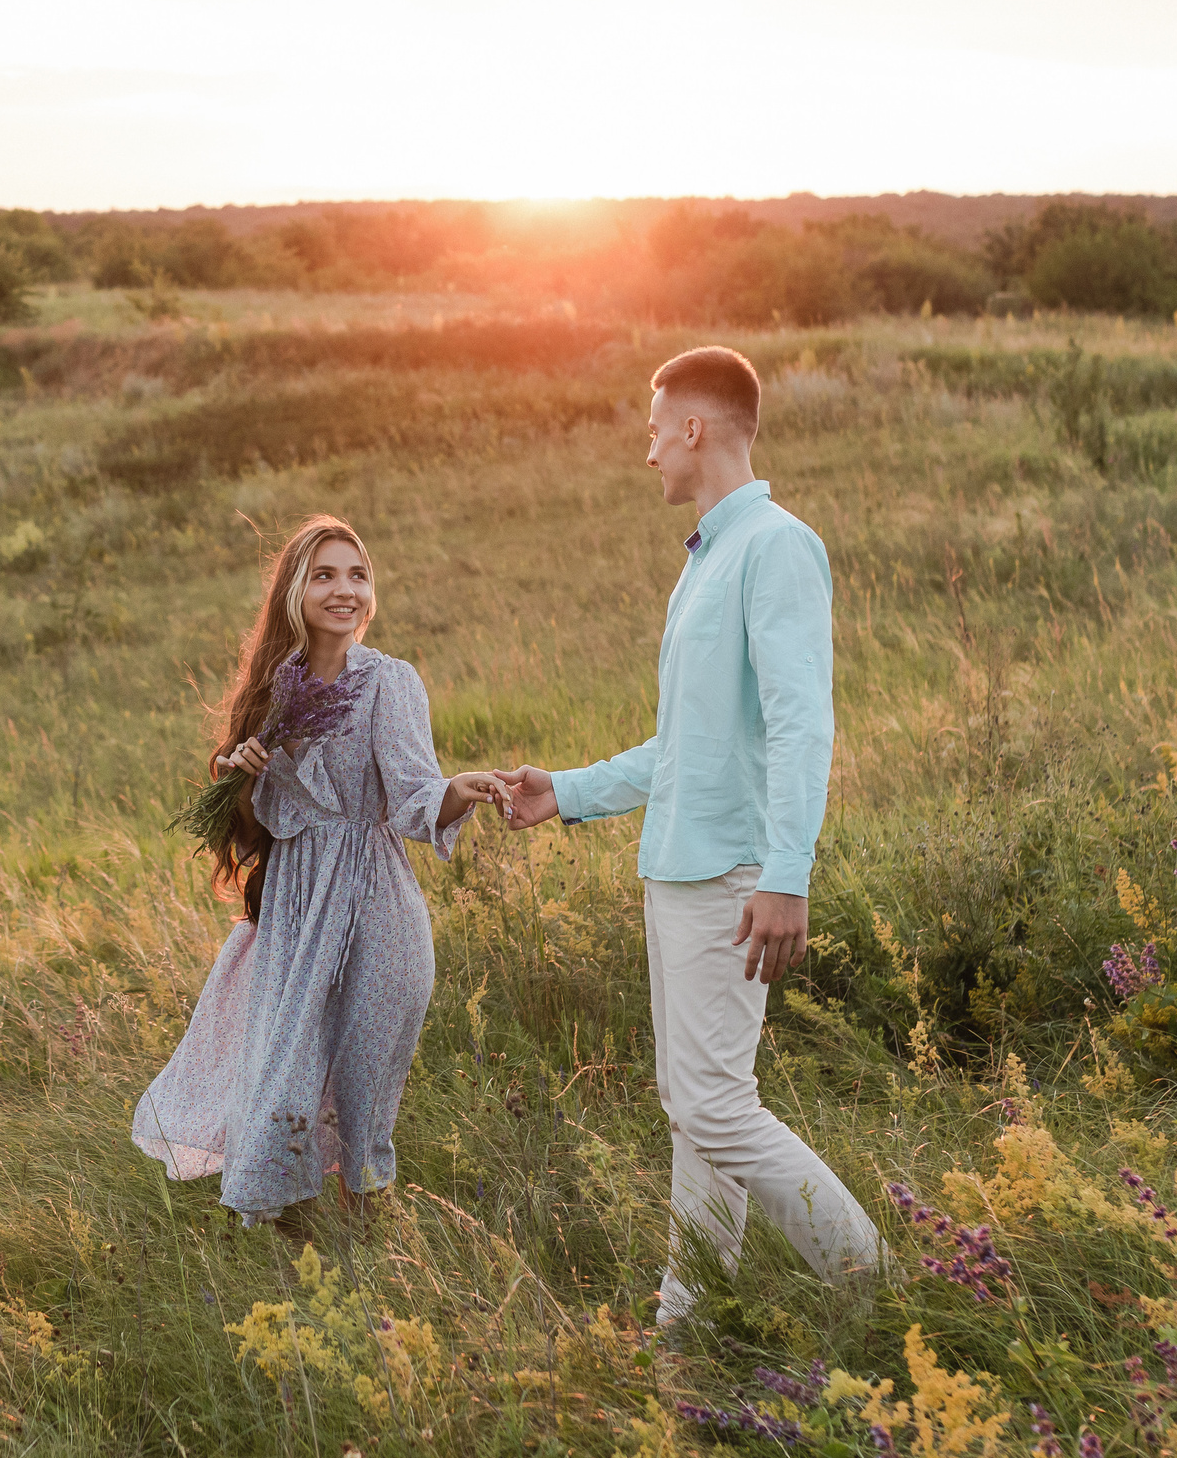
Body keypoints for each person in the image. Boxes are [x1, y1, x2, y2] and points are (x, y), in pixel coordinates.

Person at [494, 347, 880, 1327]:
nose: (648, 451)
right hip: (677, 870)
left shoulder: (775, 546)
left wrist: (786, 874)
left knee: (714, 1108)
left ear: (695, 429)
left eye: (654, 429)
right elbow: (692, 742)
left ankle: (875, 1287)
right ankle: (690, 1318)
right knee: (693, 1109)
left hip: (731, 877)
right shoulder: (705, 561)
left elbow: (803, 720)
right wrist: (569, 792)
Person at [134, 515, 513, 1230]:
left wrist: (462, 786)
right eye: (326, 574)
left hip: (376, 907)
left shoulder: (388, 683)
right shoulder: (277, 691)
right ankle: (284, 1242)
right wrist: (232, 767)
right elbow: (242, 797)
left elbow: (413, 795)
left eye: (358, 575)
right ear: (294, 592)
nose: (346, 589)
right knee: (285, 1081)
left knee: (367, 1091)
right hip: (297, 912)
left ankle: (371, 1244)